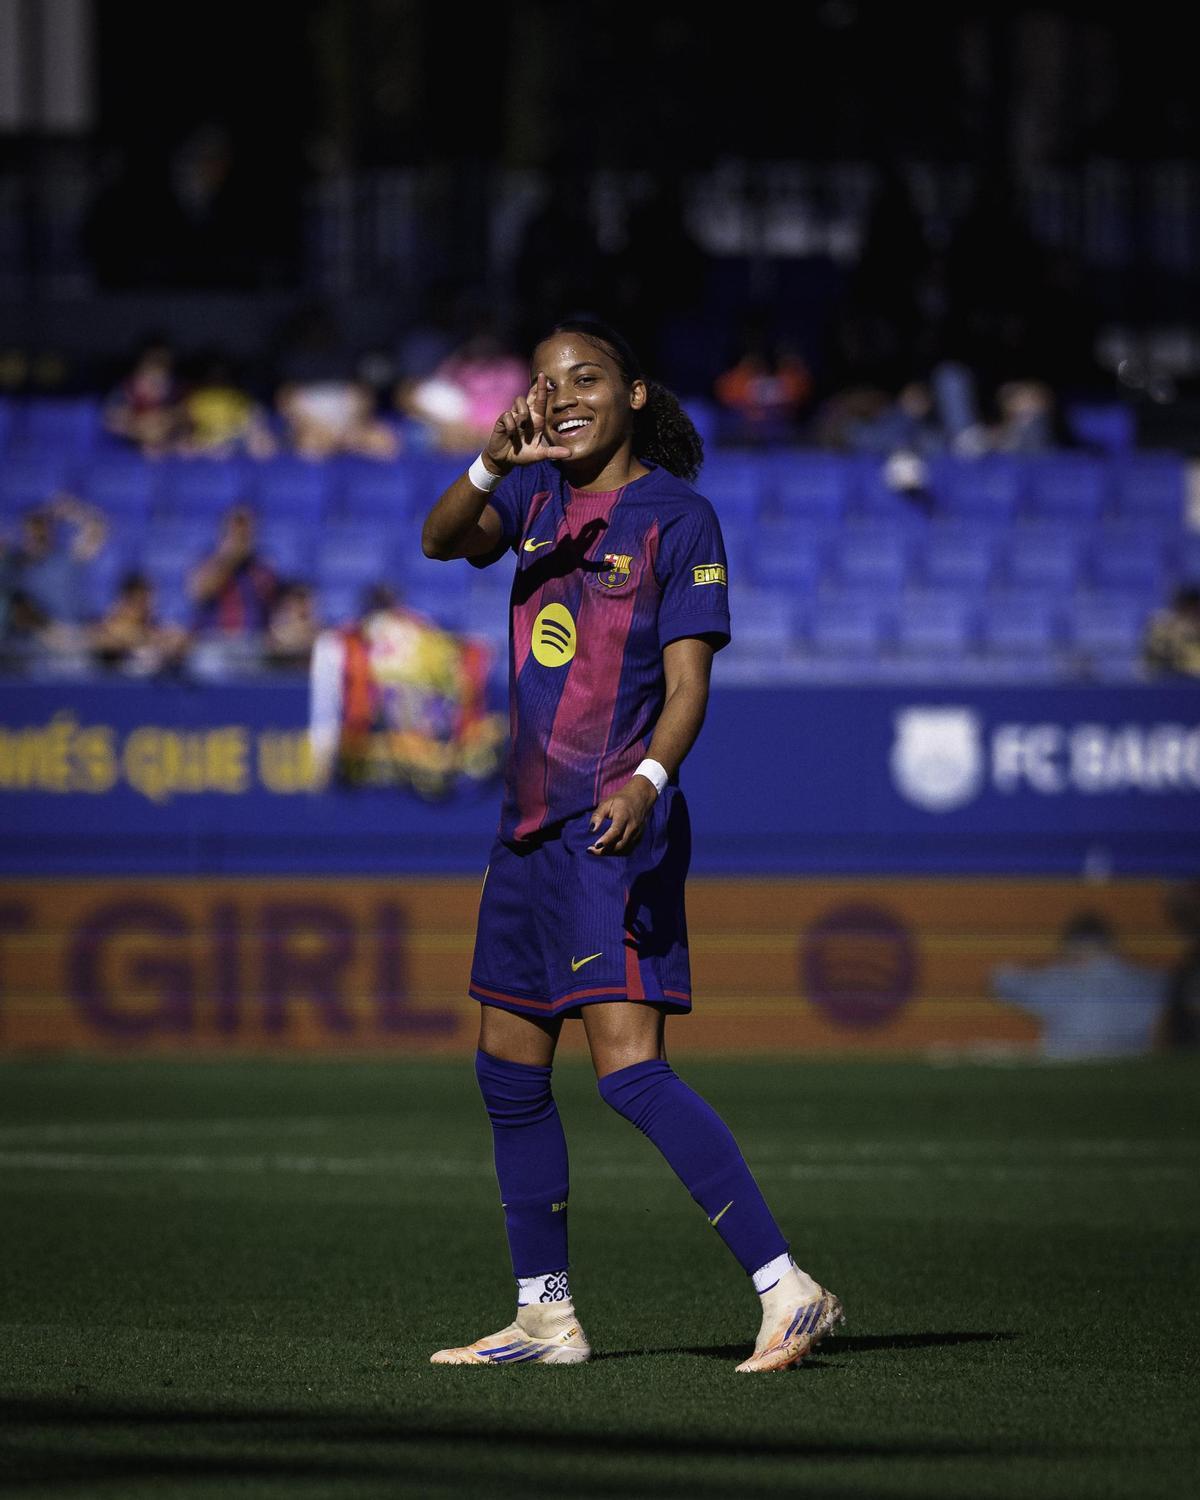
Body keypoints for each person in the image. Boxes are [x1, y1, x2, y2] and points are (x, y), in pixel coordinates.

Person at [419, 317, 842, 1373]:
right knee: (508, 1074)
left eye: (586, 378)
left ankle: (787, 1288)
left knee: (629, 1071)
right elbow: (438, 539)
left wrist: (650, 781)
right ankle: (545, 1316)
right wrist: (490, 459)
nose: (562, 395)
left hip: (616, 823)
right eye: (545, 381)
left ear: (635, 394)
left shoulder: (678, 518)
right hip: (523, 834)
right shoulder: (529, 498)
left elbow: (691, 687)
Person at [990, 911, 1167, 1059]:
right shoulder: (1142, 980)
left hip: (1068, 1077)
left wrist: (1056, 961)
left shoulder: (1056, 979)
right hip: (1127, 1079)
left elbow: (1001, 979)